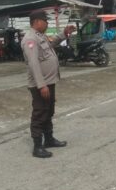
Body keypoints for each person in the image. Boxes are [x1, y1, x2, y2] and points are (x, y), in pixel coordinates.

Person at [21, 10, 76, 158]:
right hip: (41, 84)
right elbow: (33, 63)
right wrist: (41, 85)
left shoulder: (40, 36)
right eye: (45, 21)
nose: (47, 23)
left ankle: (49, 139)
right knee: (40, 113)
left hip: (49, 82)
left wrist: (64, 33)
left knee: (49, 111)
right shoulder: (30, 39)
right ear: (37, 22)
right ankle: (37, 146)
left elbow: (51, 44)